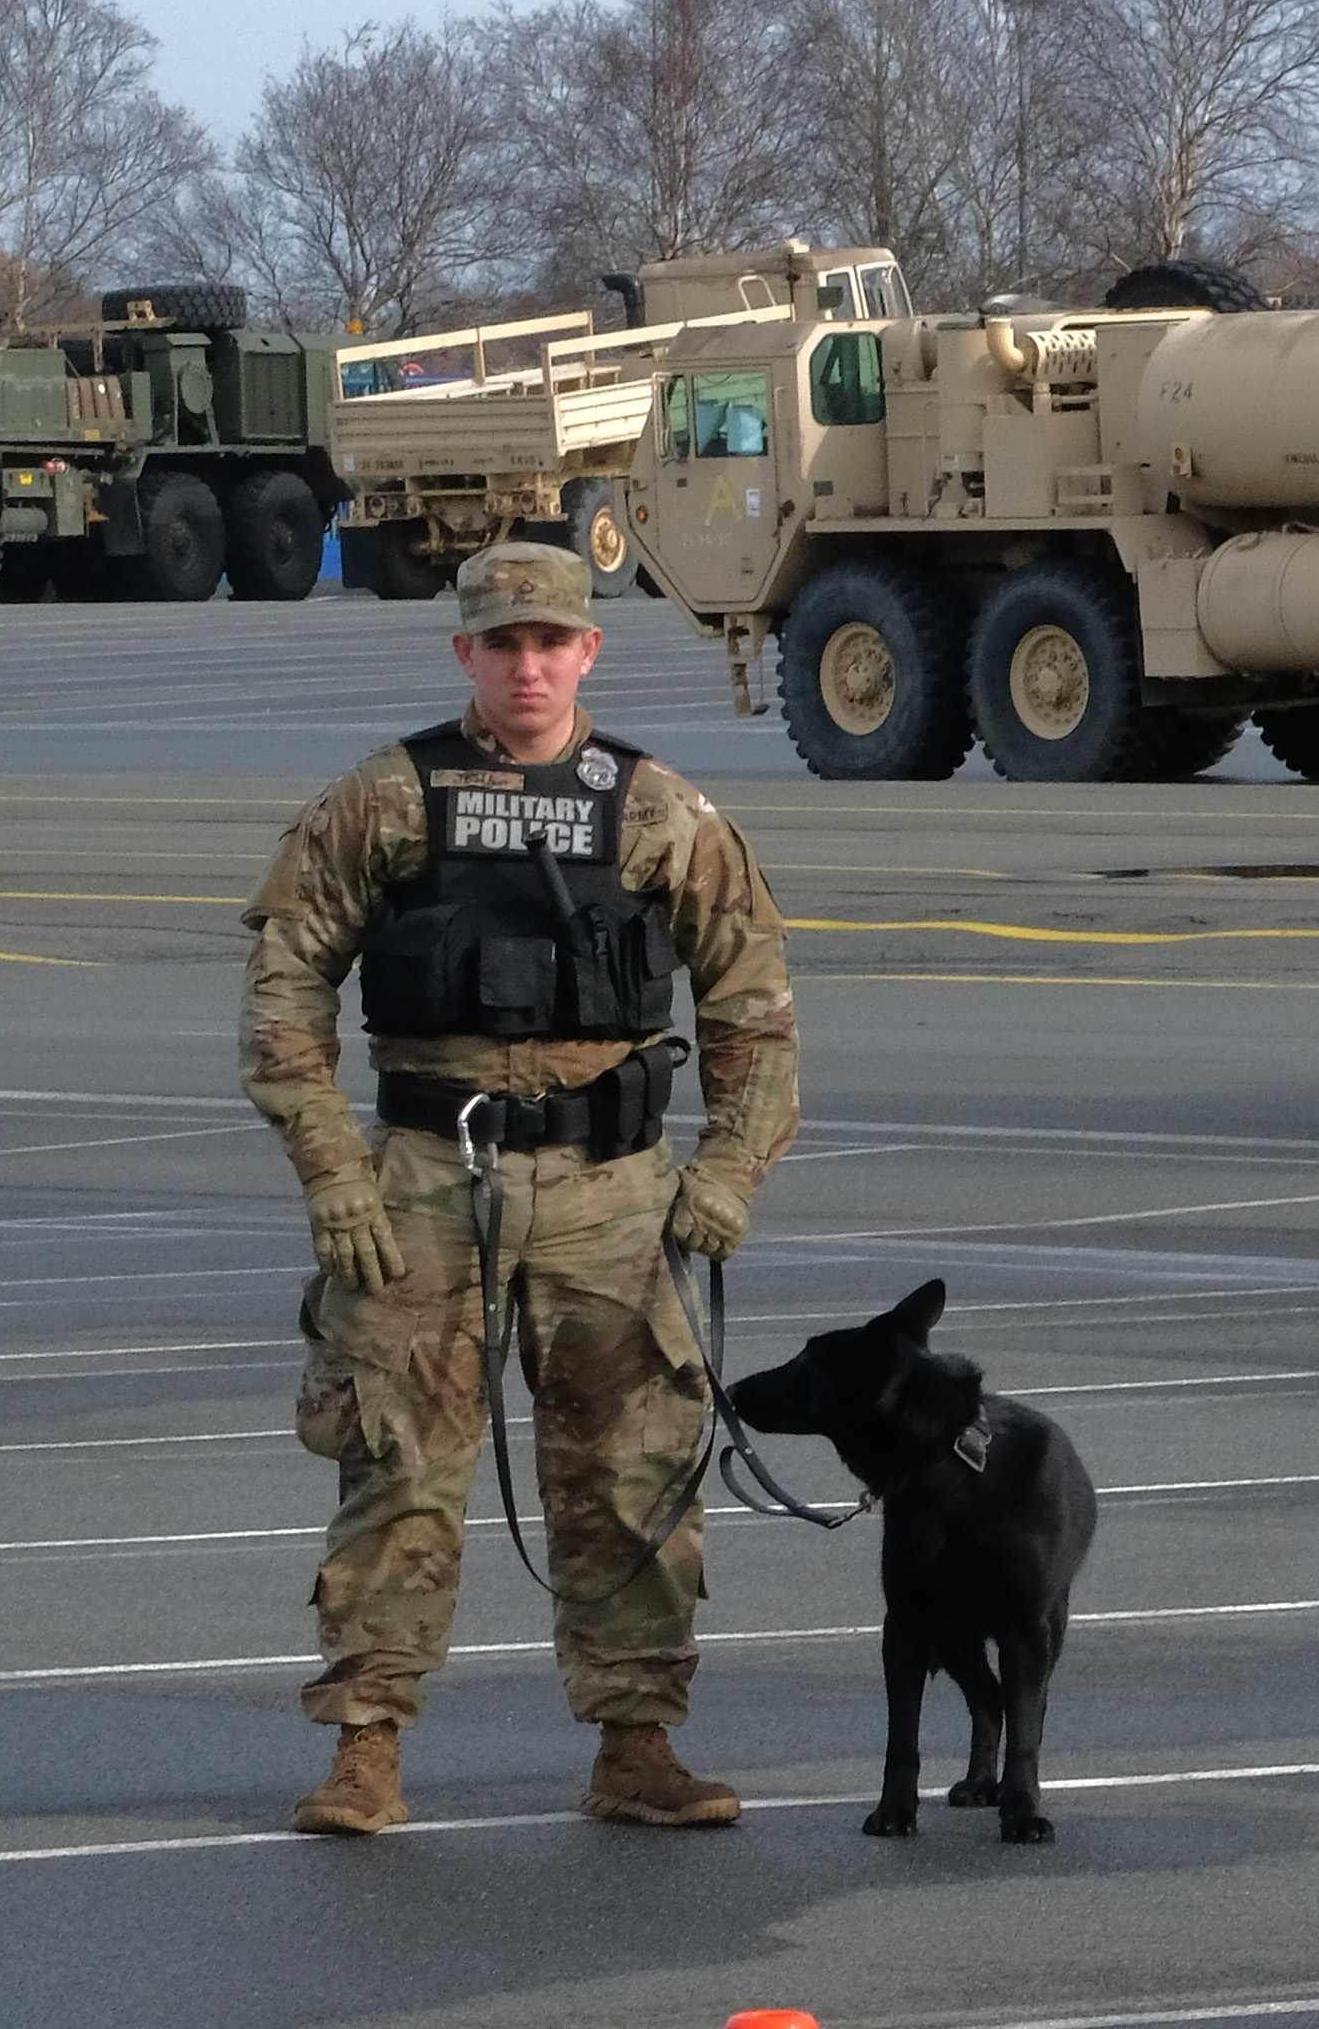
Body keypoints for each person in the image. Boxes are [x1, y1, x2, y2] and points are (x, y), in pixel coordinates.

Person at [241, 537, 798, 1836]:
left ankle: (636, 1742)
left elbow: (755, 1008)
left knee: (637, 1462)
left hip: (613, 1189)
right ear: (466, 655)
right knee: (395, 1459)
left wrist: (729, 1167)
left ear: (588, 650)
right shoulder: (387, 800)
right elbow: (285, 988)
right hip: (426, 1182)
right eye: (504, 644)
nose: (529, 665)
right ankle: (366, 1747)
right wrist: (332, 1167)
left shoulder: (659, 812)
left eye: (552, 642)